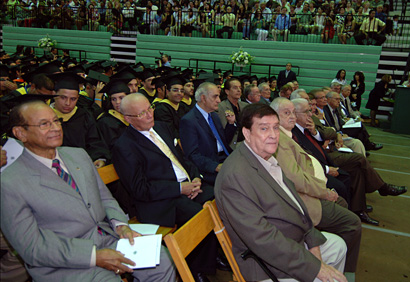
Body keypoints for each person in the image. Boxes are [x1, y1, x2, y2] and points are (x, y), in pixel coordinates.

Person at [1, 100, 176, 282]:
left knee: (163, 261)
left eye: (56, 121)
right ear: (20, 133)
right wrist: (94, 256)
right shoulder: (10, 182)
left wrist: (121, 225)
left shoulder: (78, 155)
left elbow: (104, 197)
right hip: (65, 262)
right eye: (44, 124)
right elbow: (32, 247)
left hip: (107, 238)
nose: (55, 128)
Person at [215, 103, 348, 282]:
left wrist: (312, 239)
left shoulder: (266, 158)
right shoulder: (235, 176)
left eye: (276, 128)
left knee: (338, 246)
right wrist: (315, 267)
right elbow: (262, 239)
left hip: (291, 241)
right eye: (264, 128)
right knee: (324, 276)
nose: (273, 135)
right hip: (266, 262)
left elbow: (297, 205)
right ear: (246, 133)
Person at [111, 94, 218, 282]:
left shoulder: (160, 127)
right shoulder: (124, 146)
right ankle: (195, 268)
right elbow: (140, 189)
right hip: (159, 201)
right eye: (142, 113)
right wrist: (179, 189)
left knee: (218, 199)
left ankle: (212, 255)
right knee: (199, 216)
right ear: (127, 119)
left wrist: (194, 177)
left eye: (150, 108)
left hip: (184, 186)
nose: (149, 115)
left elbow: (181, 159)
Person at [271, 98, 361, 276]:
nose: (292, 116)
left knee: (342, 201)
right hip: (301, 199)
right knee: (353, 223)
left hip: (310, 189)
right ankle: (346, 274)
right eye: (286, 113)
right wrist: (323, 192)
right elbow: (295, 179)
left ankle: (335, 260)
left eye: (292, 112)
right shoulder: (280, 140)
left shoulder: (288, 135)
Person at [292, 98, 407, 225]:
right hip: (321, 164)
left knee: (357, 170)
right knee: (357, 161)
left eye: (310, 108)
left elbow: (330, 132)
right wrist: (327, 168)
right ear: (295, 114)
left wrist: (315, 132)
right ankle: (380, 188)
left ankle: (359, 208)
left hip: (327, 155)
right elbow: (307, 156)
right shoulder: (293, 131)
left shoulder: (309, 121)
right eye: (307, 110)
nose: (310, 112)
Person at [49, 72, 110, 167]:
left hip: (81, 167)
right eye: (63, 97)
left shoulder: (84, 116)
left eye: (73, 99)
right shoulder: (44, 117)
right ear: (53, 94)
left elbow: (95, 142)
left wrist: (99, 159)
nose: (67, 103)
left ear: (78, 98)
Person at [180, 82, 235, 185]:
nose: (219, 100)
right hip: (209, 166)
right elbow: (192, 155)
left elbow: (223, 141)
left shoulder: (214, 116)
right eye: (215, 97)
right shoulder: (189, 121)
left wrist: (231, 124)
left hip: (226, 158)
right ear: (203, 98)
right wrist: (215, 166)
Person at [217, 78, 247, 149]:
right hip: (231, 145)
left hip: (245, 143)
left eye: (240, 88)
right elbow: (223, 131)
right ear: (227, 91)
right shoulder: (221, 107)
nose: (239, 90)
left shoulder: (245, 106)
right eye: (235, 88)